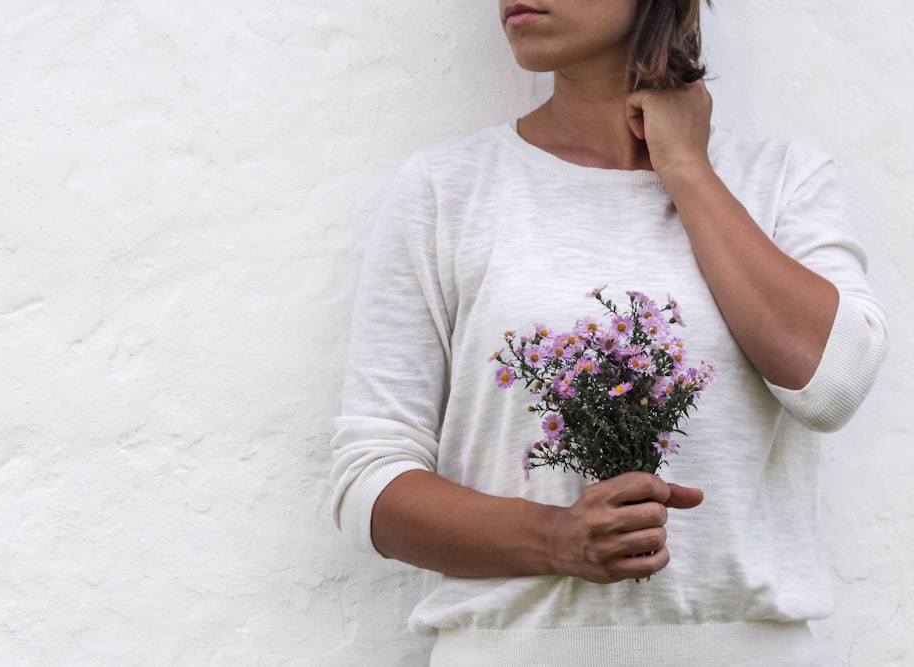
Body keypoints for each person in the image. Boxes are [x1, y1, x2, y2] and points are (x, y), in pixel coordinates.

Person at [330, 1, 889, 664]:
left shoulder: (782, 182)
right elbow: (370, 480)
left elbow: (833, 385)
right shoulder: (448, 189)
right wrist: (554, 538)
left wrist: (686, 168)